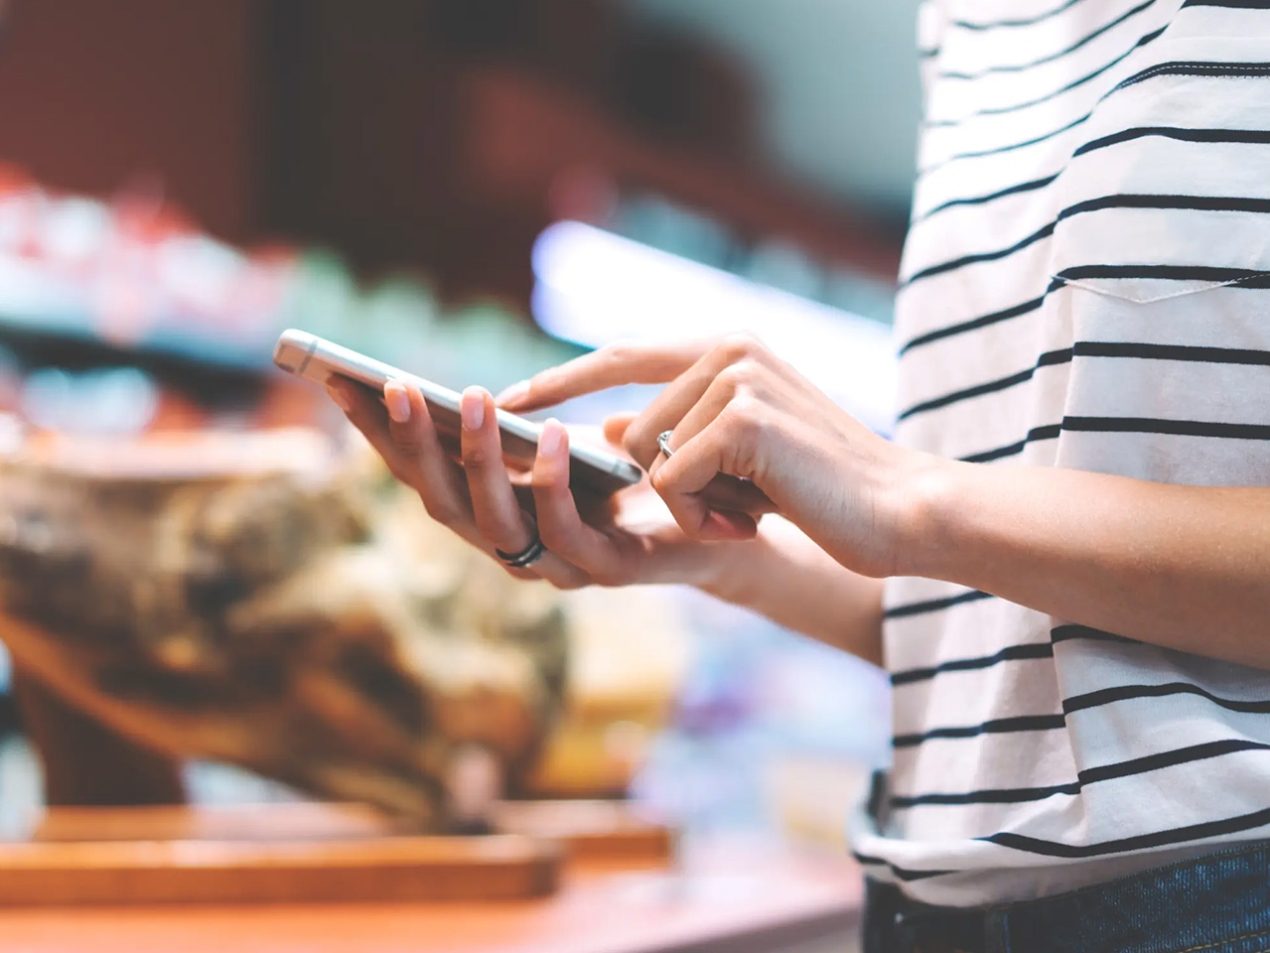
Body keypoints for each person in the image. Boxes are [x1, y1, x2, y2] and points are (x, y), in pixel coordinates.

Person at [326, 0, 1270, 948]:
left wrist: (910, 496)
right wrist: (709, 554)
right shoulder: (972, 22)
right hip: (927, 896)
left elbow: (932, 519)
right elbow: (996, 642)